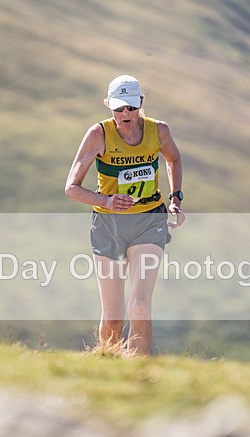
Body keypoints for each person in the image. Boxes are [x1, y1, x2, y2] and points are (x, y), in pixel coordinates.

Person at [65, 74, 185, 355]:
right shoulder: (98, 134)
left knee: (140, 306)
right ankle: (107, 365)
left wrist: (176, 198)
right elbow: (71, 188)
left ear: (141, 103)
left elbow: (174, 158)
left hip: (149, 221)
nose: (126, 114)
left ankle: (138, 372)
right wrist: (107, 201)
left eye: (131, 106)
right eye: (119, 108)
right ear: (108, 105)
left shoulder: (159, 131)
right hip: (108, 225)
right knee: (113, 316)